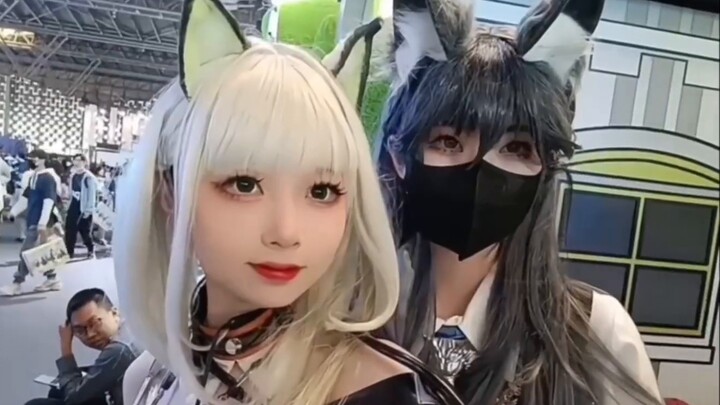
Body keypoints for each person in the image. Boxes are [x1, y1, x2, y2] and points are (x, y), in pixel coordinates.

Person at [116, 1, 459, 404]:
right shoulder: (147, 377)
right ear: (170, 192)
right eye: (244, 185)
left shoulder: (387, 394)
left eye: (321, 191)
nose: (286, 232)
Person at [364, 0, 665, 404]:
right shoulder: (344, 319)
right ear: (400, 155)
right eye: (448, 142)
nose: (480, 170)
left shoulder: (597, 332)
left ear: (545, 168)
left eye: (516, 148)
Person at [25, 288, 141, 405]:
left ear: (114, 313)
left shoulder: (117, 351)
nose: (90, 334)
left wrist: (66, 348)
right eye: (80, 330)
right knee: (59, 390)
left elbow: (72, 398)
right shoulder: (133, 330)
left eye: (94, 323)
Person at [0, 149, 63, 296]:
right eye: (31, 157)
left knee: (26, 252)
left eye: (36, 158)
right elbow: (25, 198)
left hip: (40, 222)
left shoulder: (47, 178)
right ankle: (52, 279)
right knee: (41, 252)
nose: (33, 160)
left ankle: (17, 283)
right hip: (35, 220)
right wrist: (13, 212)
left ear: (43, 160)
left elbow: (49, 201)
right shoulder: (34, 177)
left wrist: (42, 222)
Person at [64, 154, 97, 259]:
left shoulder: (88, 177)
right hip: (73, 204)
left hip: (83, 206)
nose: (77, 163)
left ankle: (90, 248)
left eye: (79, 160)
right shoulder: (73, 175)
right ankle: (69, 252)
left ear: (84, 162)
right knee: (70, 229)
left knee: (84, 231)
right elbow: (70, 191)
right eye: (75, 160)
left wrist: (88, 210)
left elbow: (92, 195)